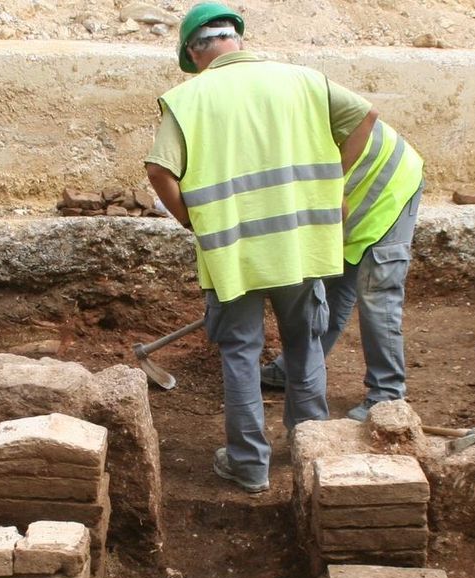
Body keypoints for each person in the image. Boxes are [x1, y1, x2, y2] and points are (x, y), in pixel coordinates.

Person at [143, 2, 383, 492]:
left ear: (194, 50)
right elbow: (365, 116)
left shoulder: (190, 98)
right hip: (299, 243)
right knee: (304, 347)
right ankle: (310, 454)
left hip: (233, 251)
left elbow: (158, 171)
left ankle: (250, 467)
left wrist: (192, 219)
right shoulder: (303, 80)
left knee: (241, 353)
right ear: (237, 38)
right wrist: (333, 179)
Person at [260, 97, 425, 422]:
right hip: (352, 198)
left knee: (377, 292)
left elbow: (335, 207)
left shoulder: (285, 144)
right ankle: (295, 367)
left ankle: (387, 396)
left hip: (389, 185)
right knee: (330, 285)